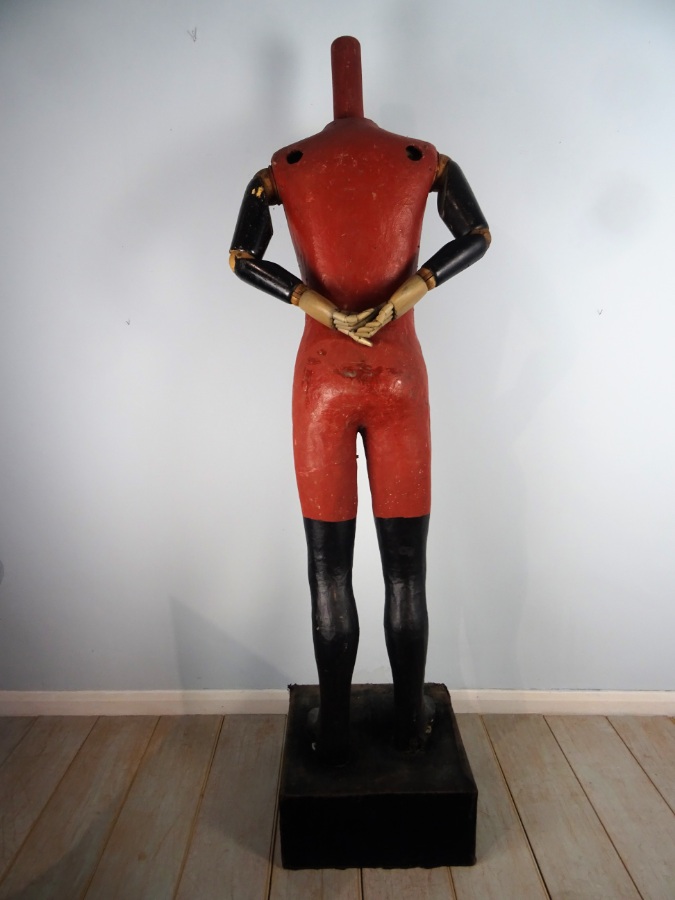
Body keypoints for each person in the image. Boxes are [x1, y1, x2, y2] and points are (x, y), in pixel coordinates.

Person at [230, 37, 490, 764]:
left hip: (321, 376)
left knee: (328, 569)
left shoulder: (284, 167)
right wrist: (403, 296)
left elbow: (241, 257)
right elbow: (476, 234)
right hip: (400, 370)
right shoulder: (423, 158)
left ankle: (337, 729)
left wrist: (326, 310)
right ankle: (408, 722)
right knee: (407, 569)